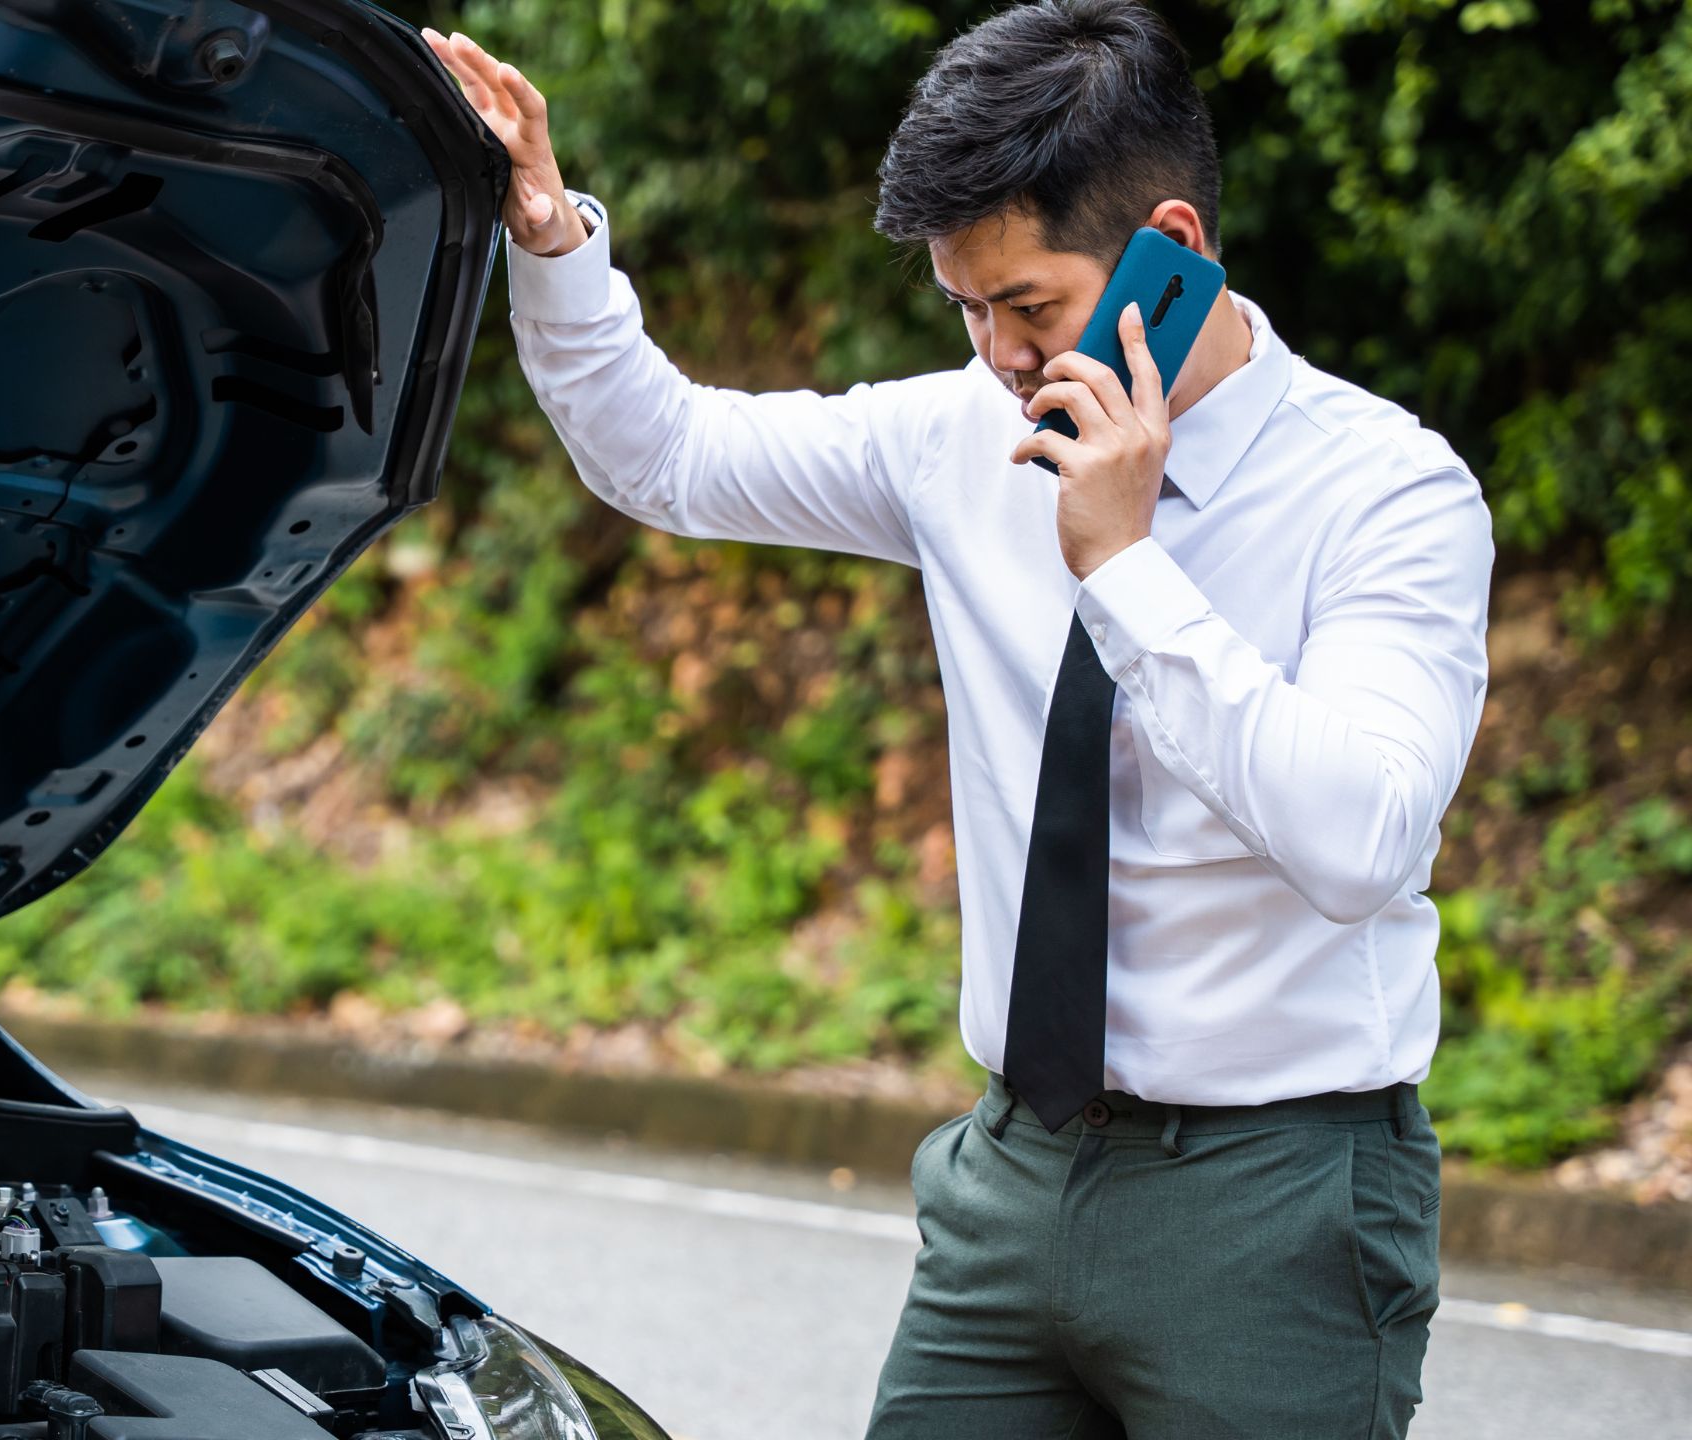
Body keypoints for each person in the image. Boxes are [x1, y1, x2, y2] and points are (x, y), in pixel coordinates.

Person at [422, 1, 1492, 1434]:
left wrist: (1126, 566)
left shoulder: (1388, 494)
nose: (995, 351)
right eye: (964, 307)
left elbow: (1360, 836)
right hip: (1012, 1171)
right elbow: (667, 455)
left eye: (1030, 306)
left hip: (1278, 1198)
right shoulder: (955, 439)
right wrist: (550, 238)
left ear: (1170, 247)